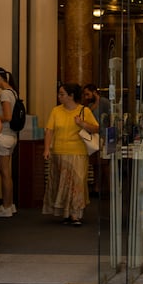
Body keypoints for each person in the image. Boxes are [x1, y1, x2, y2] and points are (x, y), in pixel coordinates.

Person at [42, 82, 98, 226]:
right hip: (59, 152)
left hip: (78, 152)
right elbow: (49, 130)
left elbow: (96, 128)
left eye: (62, 94)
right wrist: (47, 148)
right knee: (62, 184)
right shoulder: (56, 111)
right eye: (59, 94)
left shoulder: (84, 111)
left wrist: (82, 124)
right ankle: (65, 214)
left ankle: (75, 214)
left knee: (77, 183)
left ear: (71, 96)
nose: (59, 97)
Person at [0, 67, 19, 217]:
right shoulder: (13, 92)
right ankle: (10, 204)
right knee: (7, 173)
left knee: (4, 173)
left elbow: (7, 116)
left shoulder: (5, 94)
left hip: (3, 136)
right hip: (12, 136)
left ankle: (6, 206)